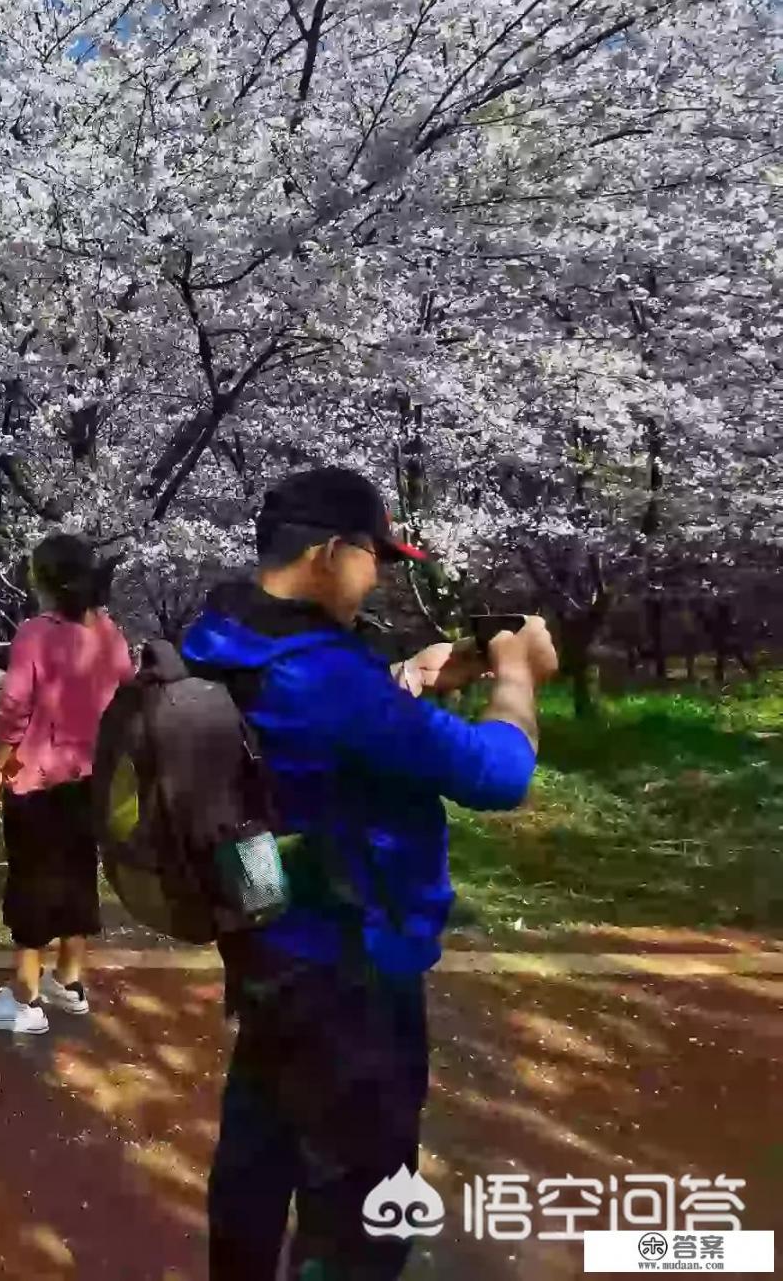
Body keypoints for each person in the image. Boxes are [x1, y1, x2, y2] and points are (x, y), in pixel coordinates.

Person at [180, 467, 558, 1279]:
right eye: (373, 556)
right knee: (360, 1198)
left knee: (257, 1150)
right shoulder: (325, 675)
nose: (379, 573)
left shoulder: (220, 633)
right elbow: (498, 773)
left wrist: (408, 680)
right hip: (353, 966)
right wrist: (517, 676)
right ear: (328, 552)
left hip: (265, 935)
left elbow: (298, 732)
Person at [0, 535, 133, 1036]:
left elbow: (13, 709)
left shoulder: (35, 634)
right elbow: (124, 693)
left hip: (35, 778)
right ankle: (69, 982)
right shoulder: (108, 631)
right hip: (90, 777)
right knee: (78, 874)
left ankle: (24, 999)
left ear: (43, 579)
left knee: (31, 881)